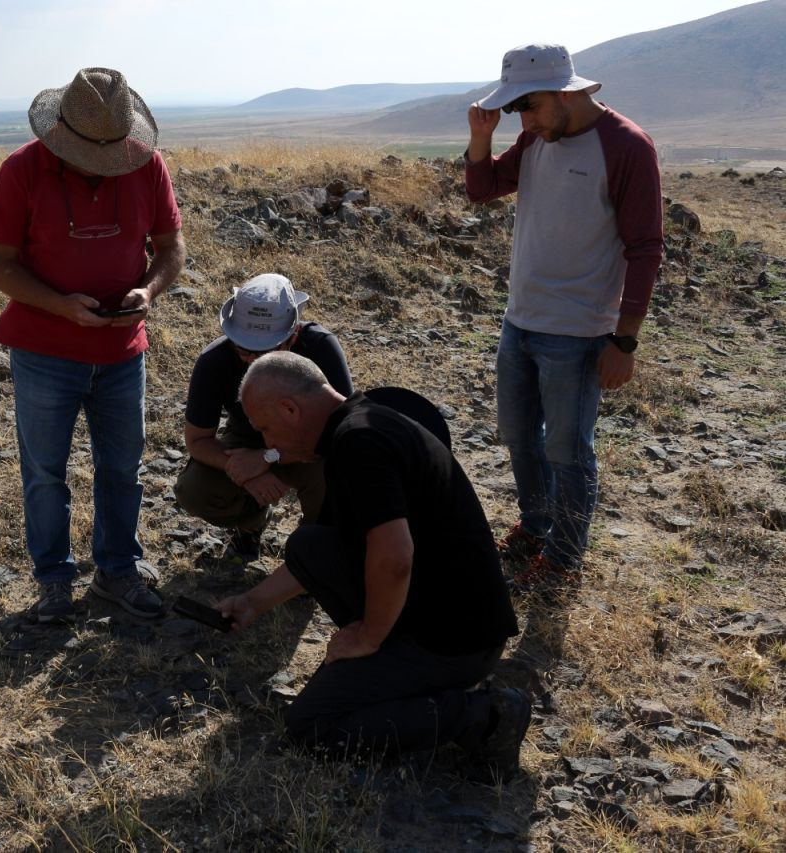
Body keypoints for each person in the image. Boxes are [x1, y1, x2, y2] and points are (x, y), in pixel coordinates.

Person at [218, 353, 529, 779]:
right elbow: (340, 550)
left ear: (290, 409)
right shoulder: (356, 428)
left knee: (312, 726)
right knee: (310, 545)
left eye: (266, 429)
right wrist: (252, 602)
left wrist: (369, 635)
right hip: (433, 609)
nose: (269, 445)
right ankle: (397, 666)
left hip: (456, 642)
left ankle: (485, 715)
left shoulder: (359, 442)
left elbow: (395, 556)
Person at [0, 68, 186, 623]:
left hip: (123, 354)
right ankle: (54, 582)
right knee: (45, 473)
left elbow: (171, 248)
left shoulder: (147, 164)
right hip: (44, 353)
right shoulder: (21, 172)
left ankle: (117, 573)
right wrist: (62, 307)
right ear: (60, 137)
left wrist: (149, 289)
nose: (103, 165)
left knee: (123, 468)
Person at [464, 44, 663, 592]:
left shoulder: (626, 146)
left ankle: (563, 561)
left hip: (577, 334)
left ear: (565, 91)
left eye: (527, 105)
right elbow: (483, 190)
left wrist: (624, 341)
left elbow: (646, 248)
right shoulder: (536, 137)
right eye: (514, 109)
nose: (522, 119)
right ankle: (536, 526)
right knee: (519, 436)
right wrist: (482, 140)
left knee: (568, 452)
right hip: (519, 321)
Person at [174, 273, 353, 569]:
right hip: (247, 441)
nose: (251, 360)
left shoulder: (320, 347)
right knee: (196, 490)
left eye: (266, 350)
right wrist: (248, 471)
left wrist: (268, 457)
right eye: (243, 349)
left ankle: (314, 559)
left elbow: (345, 429)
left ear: (293, 335)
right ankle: (251, 525)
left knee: (338, 475)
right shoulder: (214, 360)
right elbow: (197, 440)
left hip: (313, 444)